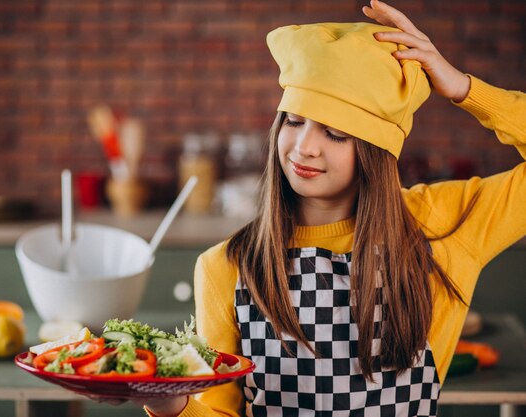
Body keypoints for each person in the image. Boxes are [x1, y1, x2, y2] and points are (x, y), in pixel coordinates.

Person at [140, 1, 525, 416]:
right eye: (294, 121)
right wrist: (172, 406)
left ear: (376, 150)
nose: (305, 146)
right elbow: (219, 411)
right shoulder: (227, 266)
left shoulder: (443, 227)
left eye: (336, 133)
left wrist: (465, 89)